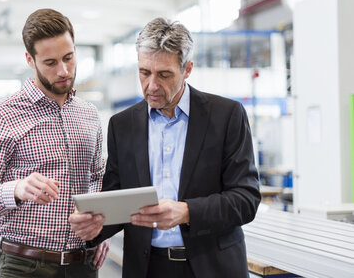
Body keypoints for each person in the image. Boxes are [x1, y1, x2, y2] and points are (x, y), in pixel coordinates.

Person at [69, 17, 261, 278]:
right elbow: (116, 196)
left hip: (212, 267)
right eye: (144, 72)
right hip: (148, 269)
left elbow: (246, 199)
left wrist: (187, 212)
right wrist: (96, 226)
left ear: (187, 69)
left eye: (164, 74)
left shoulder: (226, 116)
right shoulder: (122, 125)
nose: (152, 85)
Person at [0, 8, 109, 278]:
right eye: (50, 63)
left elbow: (97, 178)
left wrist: (103, 228)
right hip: (26, 266)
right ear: (30, 59)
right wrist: (16, 189)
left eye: (69, 58)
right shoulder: (3, 115)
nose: (64, 71)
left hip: (84, 264)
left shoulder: (88, 114)